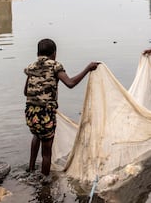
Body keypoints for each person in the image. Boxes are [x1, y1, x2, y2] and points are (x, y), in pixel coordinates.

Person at [23, 38, 99, 182]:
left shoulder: (31, 67)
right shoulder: (55, 66)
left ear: (37, 53)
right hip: (45, 113)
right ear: (54, 53)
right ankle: (44, 182)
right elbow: (70, 83)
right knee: (47, 150)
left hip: (30, 112)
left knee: (37, 136)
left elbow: (26, 92)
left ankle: (31, 169)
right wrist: (87, 69)